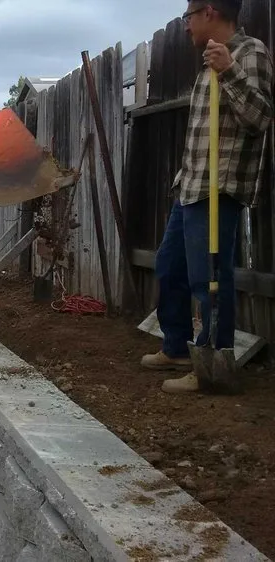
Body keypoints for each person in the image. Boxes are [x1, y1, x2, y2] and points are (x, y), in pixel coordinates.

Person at [141, 0, 273, 393]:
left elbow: (260, 117)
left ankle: (213, 362)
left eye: (189, 17)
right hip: (193, 185)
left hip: (219, 186)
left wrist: (229, 72)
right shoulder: (210, 60)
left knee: (210, 279)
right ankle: (177, 346)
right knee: (169, 267)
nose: (186, 27)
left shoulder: (249, 54)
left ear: (210, 12)